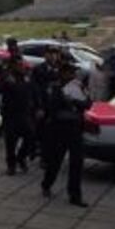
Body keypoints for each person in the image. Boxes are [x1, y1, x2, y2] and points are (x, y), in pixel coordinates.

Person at [40, 63, 92, 206]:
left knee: (77, 163)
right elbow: (52, 107)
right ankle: (46, 184)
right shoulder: (56, 87)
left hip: (76, 129)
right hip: (60, 129)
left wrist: (74, 101)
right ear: (63, 74)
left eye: (73, 73)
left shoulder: (79, 86)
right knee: (55, 161)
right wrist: (68, 103)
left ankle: (75, 195)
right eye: (69, 73)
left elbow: (88, 104)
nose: (72, 76)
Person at [0, 57, 36, 176]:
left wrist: (37, 106)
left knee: (30, 136)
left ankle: (21, 158)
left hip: (25, 113)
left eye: (22, 64)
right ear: (13, 66)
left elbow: (33, 90)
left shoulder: (26, 76)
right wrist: (6, 81)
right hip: (11, 115)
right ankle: (11, 166)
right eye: (19, 64)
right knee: (11, 142)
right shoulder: (7, 77)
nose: (22, 66)